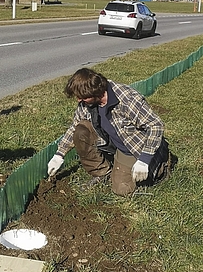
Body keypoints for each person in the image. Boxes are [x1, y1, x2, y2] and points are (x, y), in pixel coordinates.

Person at [47, 68, 171, 196]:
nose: (79, 100)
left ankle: (160, 165)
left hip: (134, 148)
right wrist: (59, 154)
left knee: (122, 189)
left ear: (96, 93)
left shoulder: (127, 99)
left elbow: (155, 125)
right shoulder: (87, 103)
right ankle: (102, 173)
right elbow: (74, 126)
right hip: (112, 141)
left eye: (82, 97)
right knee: (80, 131)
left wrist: (144, 159)